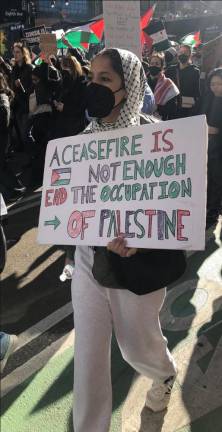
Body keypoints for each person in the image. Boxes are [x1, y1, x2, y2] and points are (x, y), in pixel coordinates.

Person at [71, 48, 186, 432]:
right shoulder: (83, 141)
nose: (95, 86)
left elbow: (174, 208)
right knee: (87, 358)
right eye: (92, 78)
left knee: (136, 346)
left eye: (105, 79)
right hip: (89, 258)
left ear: (129, 84)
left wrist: (141, 239)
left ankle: (164, 373)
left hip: (134, 261)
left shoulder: (156, 140)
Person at [201, 68, 222, 226]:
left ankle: (213, 212)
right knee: (206, 178)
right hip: (206, 145)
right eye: (213, 83)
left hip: (219, 149)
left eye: (219, 83)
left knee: (216, 180)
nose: (215, 87)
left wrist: (217, 131)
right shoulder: (208, 98)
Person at [0, 73, 26, 200]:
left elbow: (3, 120)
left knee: (2, 166)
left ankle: (15, 190)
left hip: (2, 137)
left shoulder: (2, 98)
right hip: (3, 136)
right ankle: (15, 189)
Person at [53, 56, 87, 138]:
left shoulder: (81, 82)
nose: (65, 70)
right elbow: (58, 94)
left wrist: (65, 108)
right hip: (62, 122)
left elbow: (81, 107)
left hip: (75, 125)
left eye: (67, 66)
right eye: (63, 66)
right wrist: (55, 102)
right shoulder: (64, 80)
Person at [165, 44, 200, 118]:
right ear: (177, 55)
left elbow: (196, 92)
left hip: (187, 109)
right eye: (181, 52)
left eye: (186, 52)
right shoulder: (171, 70)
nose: (183, 54)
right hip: (172, 107)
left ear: (190, 55)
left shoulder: (195, 71)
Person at [11, 43, 33, 152]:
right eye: (14, 52)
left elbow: (32, 88)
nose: (15, 54)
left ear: (24, 54)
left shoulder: (29, 68)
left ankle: (33, 156)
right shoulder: (14, 69)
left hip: (27, 106)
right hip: (17, 106)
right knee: (18, 135)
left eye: (18, 52)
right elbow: (12, 87)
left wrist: (22, 85)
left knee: (26, 134)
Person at [147, 52, 179, 120]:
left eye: (157, 64)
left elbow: (172, 108)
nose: (154, 66)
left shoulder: (168, 84)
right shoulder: (144, 82)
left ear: (162, 66)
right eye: (152, 63)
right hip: (144, 120)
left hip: (161, 120)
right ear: (149, 65)